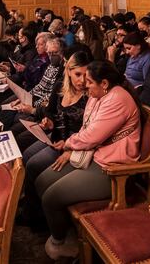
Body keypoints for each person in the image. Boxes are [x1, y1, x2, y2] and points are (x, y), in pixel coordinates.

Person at [36, 60, 142, 259]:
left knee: (51, 197)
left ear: (104, 83)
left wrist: (68, 144)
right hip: (94, 155)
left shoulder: (118, 99)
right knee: (42, 181)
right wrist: (71, 149)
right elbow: (87, 128)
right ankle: (69, 231)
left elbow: (92, 136)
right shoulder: (98, 95)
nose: (85, 85)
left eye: (90, 82)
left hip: (113, 168)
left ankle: (61, 243)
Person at [22, 52, 91, 217]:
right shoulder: (60, 85)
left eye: (86, 75)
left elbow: (89, 130)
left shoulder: (90, 94)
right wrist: (49, 120)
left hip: (73, 144)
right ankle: (30, 203)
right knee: (26, 155)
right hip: (56, 137)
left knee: (33, 164)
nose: (82, 80)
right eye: (78, 74)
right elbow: (50, 111)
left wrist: (68, 146)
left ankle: (35, 214)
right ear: (68, 71)